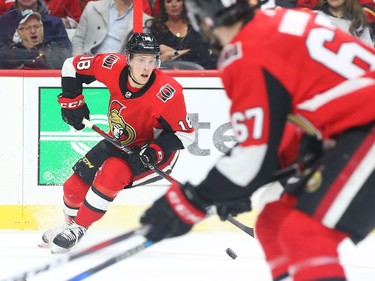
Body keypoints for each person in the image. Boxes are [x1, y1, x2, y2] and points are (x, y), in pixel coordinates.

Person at [139, 1, 375, 281]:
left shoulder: (245, 51)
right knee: (274, 219)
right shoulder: (280, 22)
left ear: (202, 19)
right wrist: (231, 189)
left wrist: (190, 202)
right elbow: (280, 136)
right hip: (357, 127)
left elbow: (255, 157)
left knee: (306, 233)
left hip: (365, 128)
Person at [39, 32, 195, 254]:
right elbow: (70, 66)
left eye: (152, 61)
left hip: (155, 153)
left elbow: (186, 134)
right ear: (128, 58)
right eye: (141, 60)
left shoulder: (167, 93)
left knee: (111, 173)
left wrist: (155, 150)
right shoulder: (110, 64)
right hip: (118, 141)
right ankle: (70, 226)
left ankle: (79, 228)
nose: (146, 67)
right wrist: (71, 102)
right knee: (72, 188)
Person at [146, 0, 218, 69]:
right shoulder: (157, 28)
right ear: (163, 5)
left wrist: (174, 53)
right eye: (169, 1)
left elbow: (205, 51)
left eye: (178, 0)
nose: (174, 5)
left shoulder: (196, 25)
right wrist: (189, 52)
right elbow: (153, 58)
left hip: (200, 74)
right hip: (168, 74)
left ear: (184, 3)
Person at [71, 0, 152, 56]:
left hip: (119, 70)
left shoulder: (144, 21)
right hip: (89, 64)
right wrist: (79, 63)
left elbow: (140, 53)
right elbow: (78, 40)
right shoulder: (92, 8)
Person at [0, 11, 71, 69]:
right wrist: (36, 55)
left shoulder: (53, 49)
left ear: (42, 29)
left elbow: (66, 62)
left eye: (36, 27)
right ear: (20, 31)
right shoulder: (11, 52)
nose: (33, 31)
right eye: (28, 28)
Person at [0, 0, 71, 53]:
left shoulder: (55, 23)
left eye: (37, 26)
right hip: (11, 72)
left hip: (47, 71)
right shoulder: (3, 22)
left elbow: (64, 54)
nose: (33, 31)